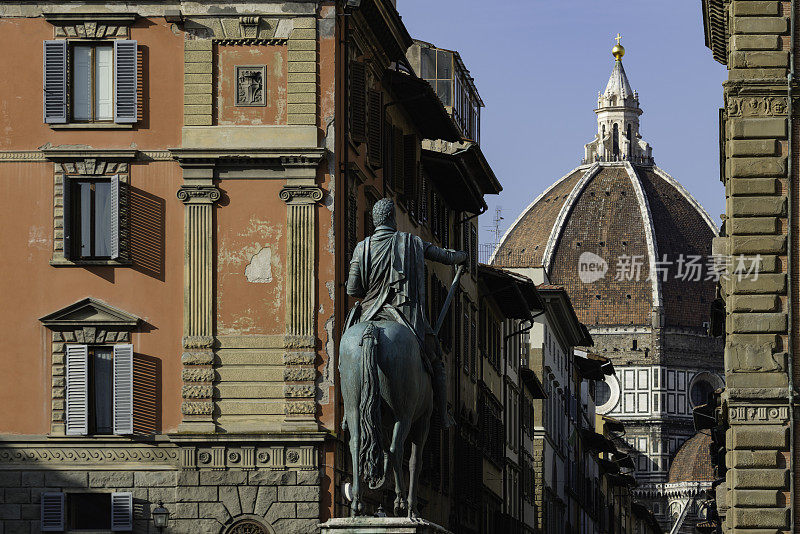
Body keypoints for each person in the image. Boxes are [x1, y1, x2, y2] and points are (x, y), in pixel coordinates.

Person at [346, 198, 467, 428]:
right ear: (393, 218)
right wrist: (461, 257)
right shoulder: (411, 242)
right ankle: (442, 415)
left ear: (375, 220)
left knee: (348, 353)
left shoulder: (362, 247)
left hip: (370, 314)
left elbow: (353, 290)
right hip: (405, 317)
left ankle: (347, 414)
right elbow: (446, 257)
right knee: (437, 363)